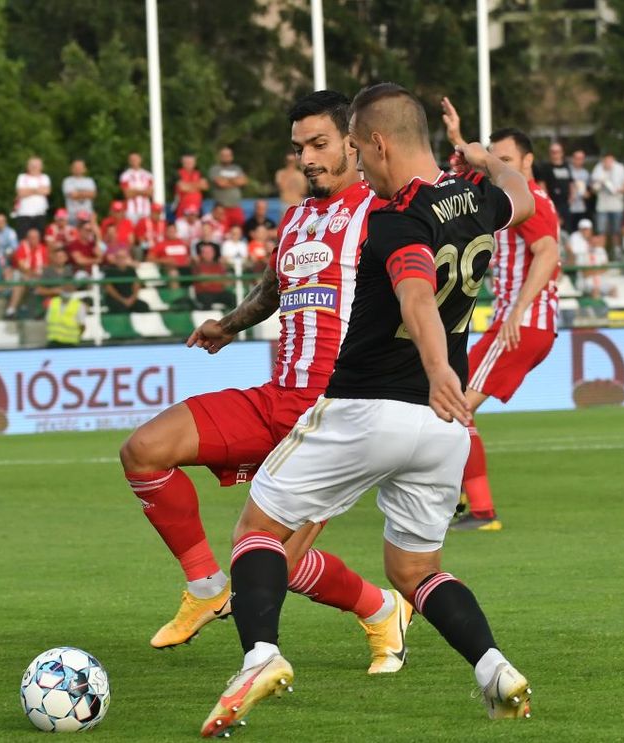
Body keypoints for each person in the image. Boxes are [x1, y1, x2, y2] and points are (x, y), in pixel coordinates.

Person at [201, 84, 535, 736]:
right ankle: (493, 666)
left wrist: (438, 370)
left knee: (257, 529)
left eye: (356, 148)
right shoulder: (474, 198)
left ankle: (261, 655)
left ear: (378, 144)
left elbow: (413, 294)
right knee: (414, 570)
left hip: (367, 407)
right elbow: (520, 196)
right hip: (442, 429)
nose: (358, 161)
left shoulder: (395, 215)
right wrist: (479, 155)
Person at [121, 91, 407, 675]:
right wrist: (228, 324)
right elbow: (276, 288)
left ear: (354, 143)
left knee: (273, 559)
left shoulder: (382, 214)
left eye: (319, 144)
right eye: (298, 147)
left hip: (334, 417)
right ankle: (205, 587)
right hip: (276, 396)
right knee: (144, 451)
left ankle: (380, 609)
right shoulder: (300, 215)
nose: (305, 157)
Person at [442, 115, 560, 532]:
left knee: (453, 408)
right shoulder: (515, 194)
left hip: (520, 324)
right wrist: (458, 139)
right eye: (495, 157)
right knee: (448, 402)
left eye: (505, 158)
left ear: (527, 161)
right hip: (524, 323)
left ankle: (477, 508)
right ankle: (456, 494)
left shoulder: (529, 202)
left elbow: (547, 253)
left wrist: (516, 311)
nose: (497, 163)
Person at [590, 152, 624, 249]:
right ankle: (601, 254)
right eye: (606, 160)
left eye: (610, 160)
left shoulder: (620, 168)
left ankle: (617, 254)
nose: (608, 162)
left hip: (617, 205)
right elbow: (593, 188)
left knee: (616, 232)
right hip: (602, 206)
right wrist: (600, 184)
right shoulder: (598, 169)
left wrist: (616, 190)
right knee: (602, 231)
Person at [208, 147, 249, 230]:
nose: (226, 157)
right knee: (222, 231)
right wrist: (235, 181)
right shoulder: (215, 169)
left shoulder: (237, 168)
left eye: (228, 155)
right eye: (224, 155)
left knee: (239, 230)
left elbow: (244, 181)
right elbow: (221, 183)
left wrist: (226, 181)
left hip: (236, 207)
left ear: (232, 157)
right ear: (220, 157)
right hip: (221, 209)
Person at [534, 141, 572, 225]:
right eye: (553, 152)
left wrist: (571, 197)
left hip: (565, 203)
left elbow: (571, 182)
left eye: (557, 151)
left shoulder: (566, 166)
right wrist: (547, 201)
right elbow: (542, 184)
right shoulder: (545, 167)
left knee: (567, 226)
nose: (555, 154)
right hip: (553, 202)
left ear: (562, 153)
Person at [102, 247, 148, 313]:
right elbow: (109, 289)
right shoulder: (109, 271)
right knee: (120, 309)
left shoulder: (131, 270)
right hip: (115, 300)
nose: (121, 260)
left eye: (123, 257)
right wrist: (123, 300)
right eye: (119, 257)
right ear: (115, 258)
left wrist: (132, 298)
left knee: (143, 307)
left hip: (130, 298)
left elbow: (136, 285)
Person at [13, 156, 50, 239]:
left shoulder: (45, 177)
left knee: (40, 238)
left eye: (37, 165)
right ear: (27, 166)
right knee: (23, 238)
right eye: (32, 165)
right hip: (24, 213)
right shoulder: (22, 177)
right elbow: (20, 192)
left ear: (41, 167)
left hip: (40, 213)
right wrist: (37, 190)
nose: (34, 167)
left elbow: (46, 191)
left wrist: (28, 190)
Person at [192, 241, 234, 309]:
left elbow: (226, 282)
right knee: (206, 300)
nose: (208, 254)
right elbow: (203, 282)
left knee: (232, 298)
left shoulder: (219, 265)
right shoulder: (197, 266)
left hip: (219, 293)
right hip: (204, 293)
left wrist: (209, 278)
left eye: (210, 252)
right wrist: (218, 278)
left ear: (214, 253)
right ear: (201, 254)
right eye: (205, 253)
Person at [44, 282, 86, 348]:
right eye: (65, 288)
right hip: (53, 342)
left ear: (73, 289)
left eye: (69, 288)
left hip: (71, 343)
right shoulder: (53, 302)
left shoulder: (79, 305)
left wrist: (75, 337)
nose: (67, 290)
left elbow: (82, 326)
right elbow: (47, 321)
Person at [119, 152, 154, 223]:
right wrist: (143, 191)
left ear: (140, 160)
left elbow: (150, 193)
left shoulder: (148, 175)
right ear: (129, 161)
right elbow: (127, 194)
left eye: (136, 159)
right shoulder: (125, 175)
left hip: (146, 210)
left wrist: (134, 191)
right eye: (132, 159)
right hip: (131, 210)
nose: (134, 161)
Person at [61, 159, 96, 224]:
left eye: (80, 167)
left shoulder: (90, 181)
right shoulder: (67, 181)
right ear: (71, 169)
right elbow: (72, 195)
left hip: (88, 216)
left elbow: (93, 194)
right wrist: (86, 193)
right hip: (73, 217)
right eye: (76, 167)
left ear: (84, 169)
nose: (78, 169)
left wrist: (78, 193)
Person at [173, 153, 208, 219]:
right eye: (187, 162)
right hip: (182, 208)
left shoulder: (199, 173)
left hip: (197, 207)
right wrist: (198, 185)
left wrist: (188, 186)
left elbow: (205, 187)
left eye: (191, 162)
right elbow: (183, 188)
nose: (189, 164)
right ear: (182, 162)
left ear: (195, 162)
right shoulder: (177, 173)